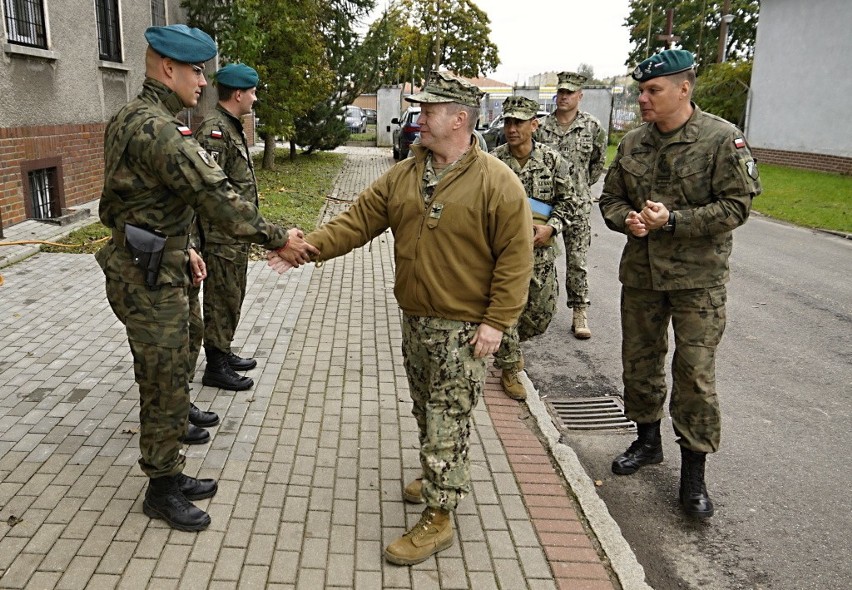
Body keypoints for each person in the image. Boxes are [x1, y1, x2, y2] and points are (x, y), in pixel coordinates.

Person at [269, 71, 533, 564]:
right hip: (417, 320)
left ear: (459, 119)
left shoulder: (498, 182)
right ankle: (440, 469)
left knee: (445, 419)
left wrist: (496, 322)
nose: (420, 119)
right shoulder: (408, 173)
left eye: (429, 111)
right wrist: (307, 249)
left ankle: (439, 516)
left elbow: (517, 259)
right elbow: (359, 218)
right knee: (426, 409)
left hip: (465, 328)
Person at [95, 24, 317, 532]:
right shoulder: (158, 130)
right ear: (168, 69)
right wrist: (277, 236)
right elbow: (213, 195)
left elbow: (147, 204)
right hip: (146, 277)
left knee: (174, 371)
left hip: (154, 261)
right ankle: (161, 488)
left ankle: (169, 471)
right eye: (196, 70)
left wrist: (181, 248)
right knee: (166, 382)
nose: (202, 81)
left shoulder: (135, 117)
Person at [599, 49, 761, 518]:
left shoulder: (721, 139)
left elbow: (736, 207)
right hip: (643, 277)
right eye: (641, 91)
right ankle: (647, 442)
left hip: (698, 283)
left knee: (694, 375)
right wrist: (625, 219)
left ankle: (694, 478)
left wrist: (674, 221)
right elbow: (609, 199)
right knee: (641, 361)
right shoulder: (632, 144)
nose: (643, 99)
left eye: (654, 90)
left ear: (684, 89)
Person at [489, 95, 579, 400]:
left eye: (519, 122)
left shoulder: (553, 162)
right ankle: (510, 366)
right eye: (508, 122)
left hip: (540, 252)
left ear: (534, 124)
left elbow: (571, 202)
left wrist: (552, 227)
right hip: (501, 255)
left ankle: (502, 341)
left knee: (540, 316)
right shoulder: (493, 162)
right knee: (507, 311)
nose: (512, 128)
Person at [194, 63, 262, 392]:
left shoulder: (230, 126)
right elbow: (206, 191)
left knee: (232, 296)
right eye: (251, 92)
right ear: (238, 94)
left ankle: (223, 350)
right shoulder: (214, 131)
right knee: (221, 299)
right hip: (220, 237)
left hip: (235, 235)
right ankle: (216, 365)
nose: (254, 98)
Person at [536, 71, 607, 339]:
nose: (563, 97)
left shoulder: (592, 127)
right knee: (540, 259)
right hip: (546, 205)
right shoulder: (541, 127)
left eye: (569, 93)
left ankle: (579, 311)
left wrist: (579, 187)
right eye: (561, 92)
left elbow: (597, 166)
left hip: (577, 206)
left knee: (577, 261)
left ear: (580, 95)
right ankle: (536, 308)